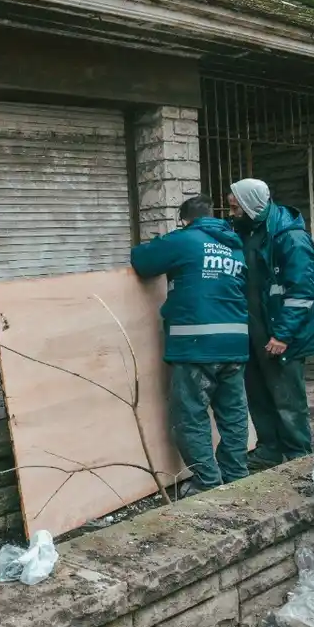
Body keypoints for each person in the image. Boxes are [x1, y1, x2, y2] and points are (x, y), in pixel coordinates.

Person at [131, 194, 250, 492]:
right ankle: (236, 476)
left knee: (190, 415)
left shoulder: (185, 239)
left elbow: (142, 260)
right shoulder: (234, 245)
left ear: (185, 219)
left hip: (198, 345)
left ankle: (208, 483)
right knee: (233, 413)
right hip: (235, 344)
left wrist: (170, 238)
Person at [227, 178, 314, 468]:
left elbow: (301, 292)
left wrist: (283, 335)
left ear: (249, 205)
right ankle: (269, 449)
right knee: (258, 394)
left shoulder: (290, 237)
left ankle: (298, 455)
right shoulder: (247, 228)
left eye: (235, 206)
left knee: (287, 399)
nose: (231, 211)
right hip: (256, 328)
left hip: (283, 333)